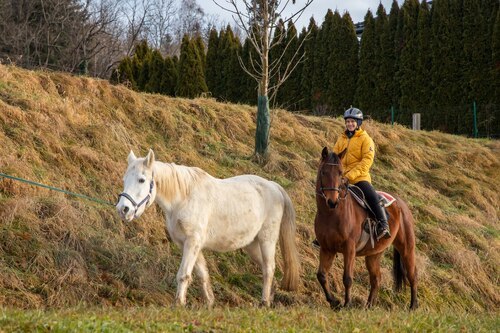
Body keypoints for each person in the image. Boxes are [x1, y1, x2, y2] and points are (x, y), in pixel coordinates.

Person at [313, 107, 390, 248]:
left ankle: (383, 224)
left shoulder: (366, 140)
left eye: (352, 122)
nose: (350, 124)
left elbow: (367, 161)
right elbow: (334, 158)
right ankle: (323, 233)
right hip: (341, 178)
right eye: (348, 121)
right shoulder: (341, 139)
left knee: (371, 195)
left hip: (360, 178)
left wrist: (350, 176)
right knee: (327, 198)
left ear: (358, 123)